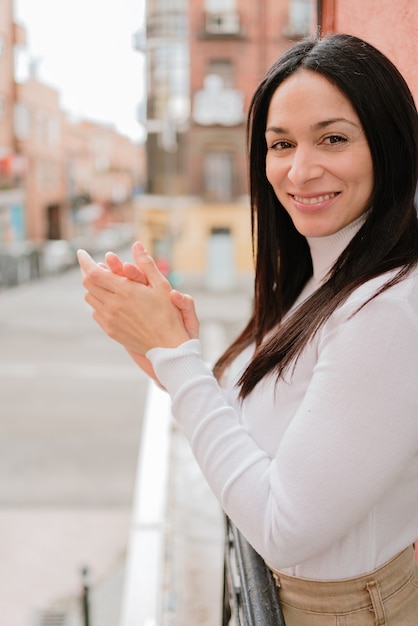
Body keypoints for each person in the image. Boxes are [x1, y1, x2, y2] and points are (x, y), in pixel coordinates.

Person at [77, 33, 418, 625]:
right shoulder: (326, 273)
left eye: (333, 138)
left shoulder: (387, 310)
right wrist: (167, 360)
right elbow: (278, 431)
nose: (300, 169)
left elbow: (283, 529)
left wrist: (178, 361)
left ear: (389, 145)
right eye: (280, 143)